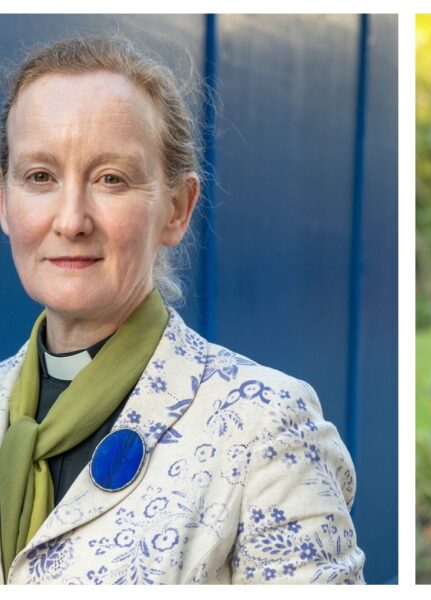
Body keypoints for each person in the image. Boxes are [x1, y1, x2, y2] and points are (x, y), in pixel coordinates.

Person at [0, 35, 364, 584]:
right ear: (5, 203)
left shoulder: (265, 426)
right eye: (40, 177)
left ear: (177, 209)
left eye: (111, 179)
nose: (71, 220)